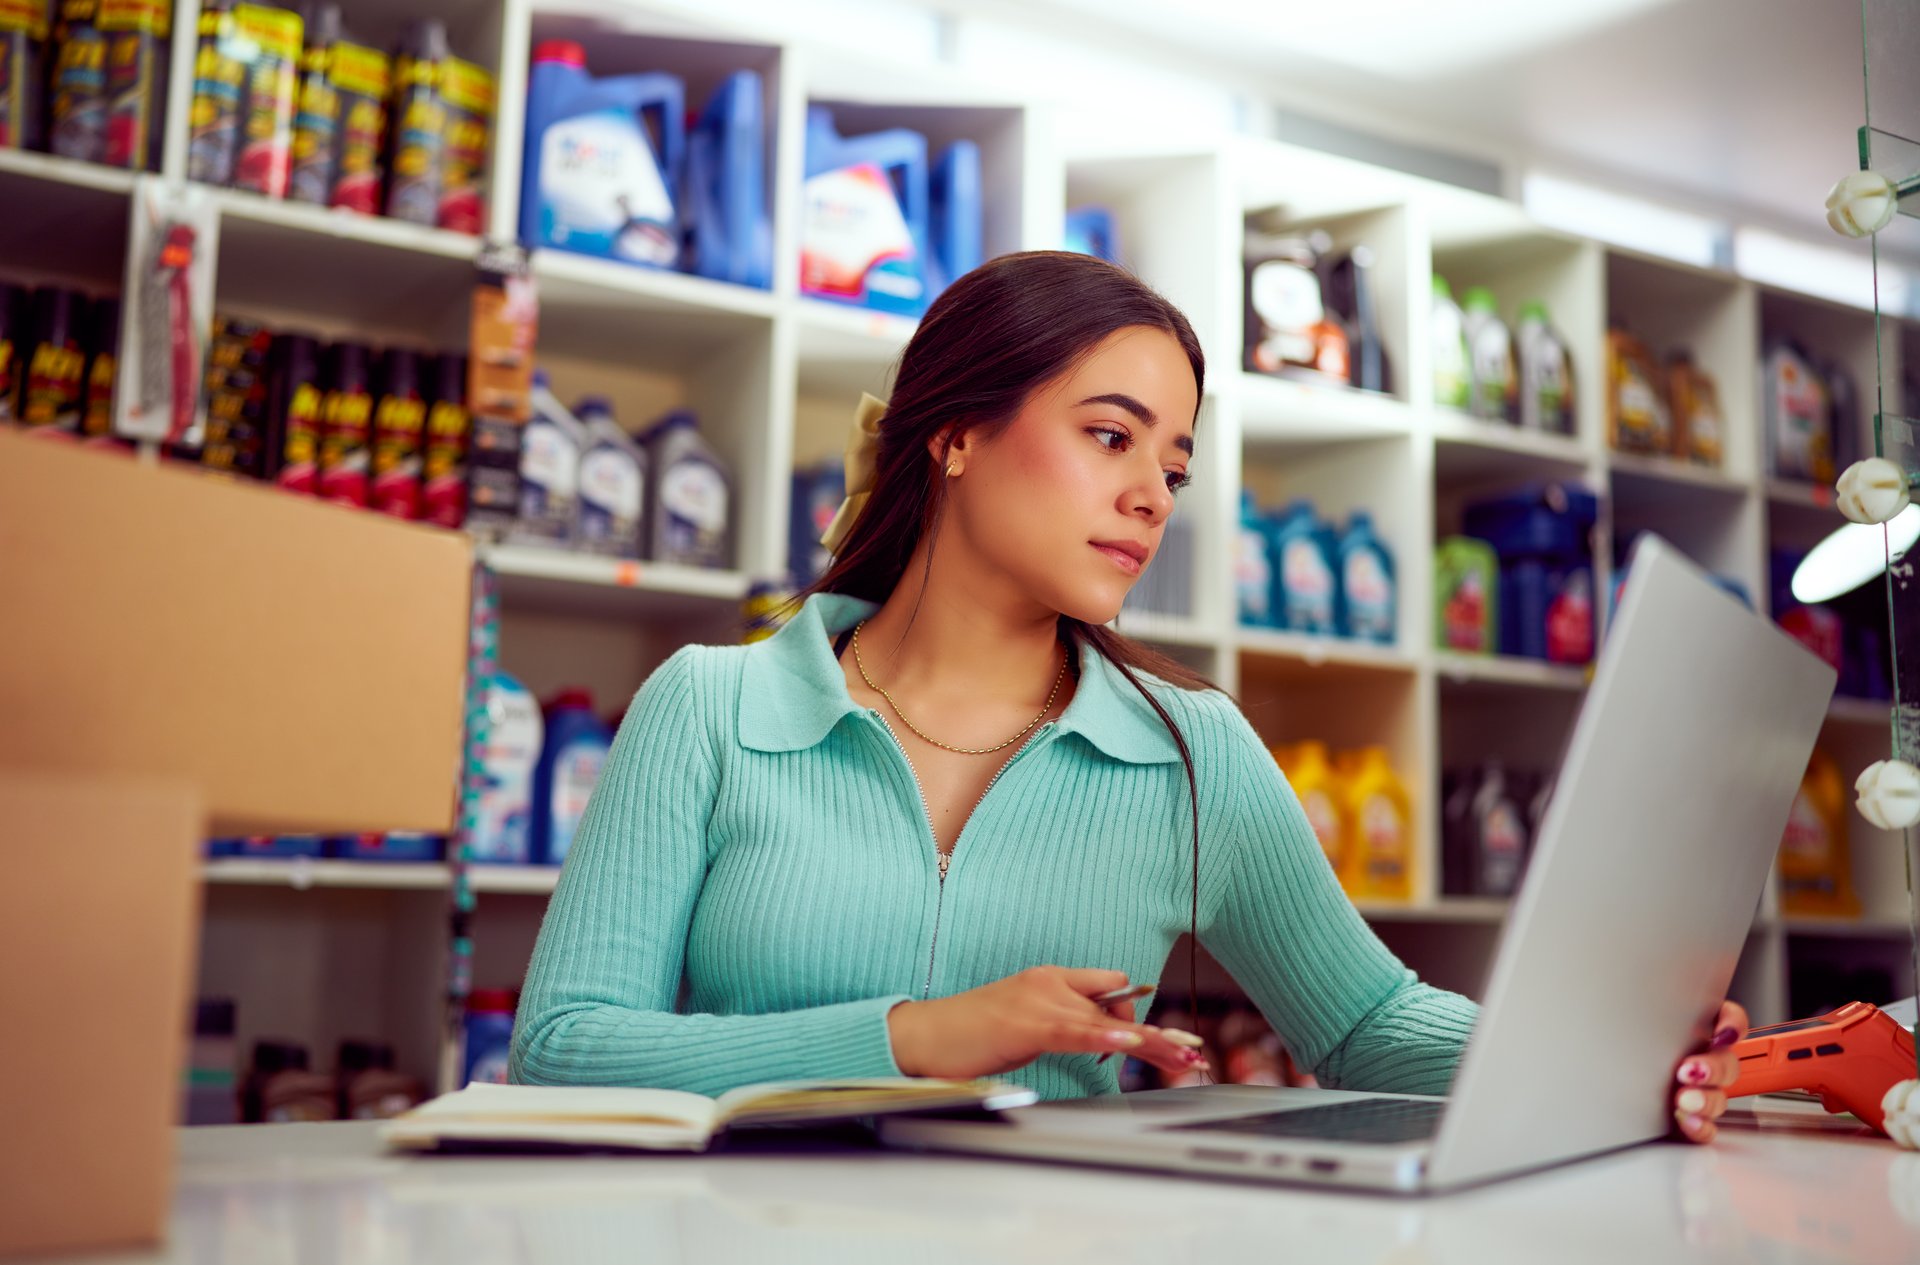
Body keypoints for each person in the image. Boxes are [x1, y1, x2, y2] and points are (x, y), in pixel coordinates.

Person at [509, 250, 1746, 1143]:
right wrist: (916, 1036)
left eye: (1174, 464)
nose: (1155, 494)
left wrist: (1621, 1053)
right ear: (954, 436)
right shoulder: (708, 707)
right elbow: (562, 1049)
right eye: (1111, 435)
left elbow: (1366, 1023)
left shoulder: (1189, 747)